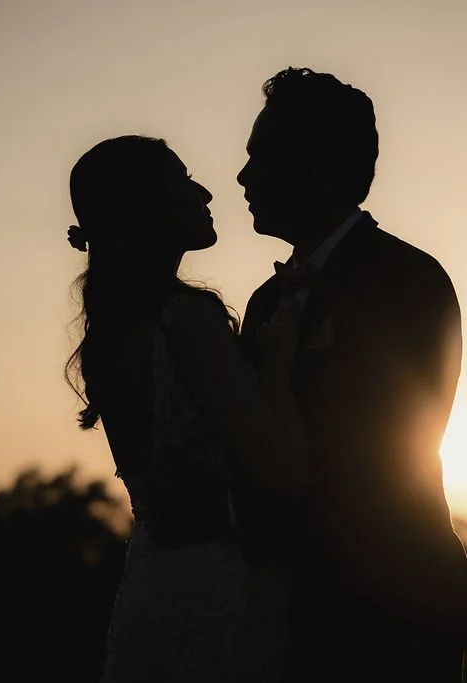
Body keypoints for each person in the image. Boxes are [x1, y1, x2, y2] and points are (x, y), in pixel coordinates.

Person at [235, 67, 467, 682]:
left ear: (322, 163)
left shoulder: (408, 280)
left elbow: (381, 449)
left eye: (264, 155)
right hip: (289, 608)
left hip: (390, 605)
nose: (243, 176)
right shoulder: (266, 302)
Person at [64, 135, 306, 682]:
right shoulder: (185, 322)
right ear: (146, 208)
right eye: (183, 179)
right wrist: (274, 363)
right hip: (224, 599)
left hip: (153, 591)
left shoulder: (109, 334)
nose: (204, 192)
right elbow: (282, 474)